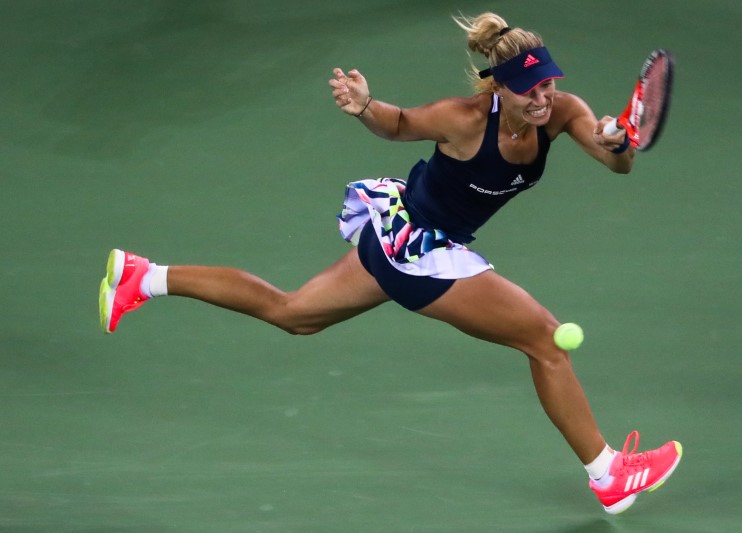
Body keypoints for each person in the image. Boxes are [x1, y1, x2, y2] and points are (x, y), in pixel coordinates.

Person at [99, 12, 681, 514]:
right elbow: (398, 123)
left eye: (548, 84)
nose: (543, 98)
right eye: (529, 89)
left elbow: (616, 164)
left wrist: (616, 142)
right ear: (499, 88)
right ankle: (608, 474)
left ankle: (143, 277)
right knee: (545, 342)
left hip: (403, 243)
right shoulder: (463, 118)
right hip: (416, 249)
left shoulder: (561, 112)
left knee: (294, 313)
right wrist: (364, 107)